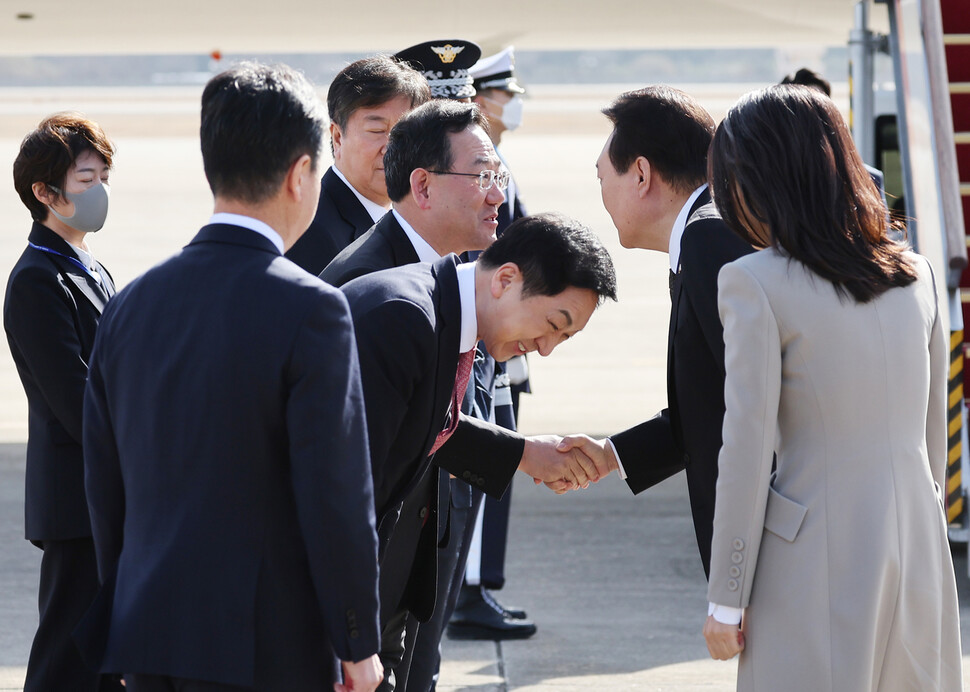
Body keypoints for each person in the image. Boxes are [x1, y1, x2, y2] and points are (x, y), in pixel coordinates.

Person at [81, 62, 383, 692]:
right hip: (262, 646)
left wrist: (132, 603)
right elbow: (335, 497)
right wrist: (357, 643)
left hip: (148, 634)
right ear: (302, 173)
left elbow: (106, 490)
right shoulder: (313, 308)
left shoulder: (130, 304)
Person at [322, 98, 594, 691]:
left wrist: (524, 452)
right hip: (359, 592)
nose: (499, 195)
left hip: (408, 570)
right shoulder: (378, 291)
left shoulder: (451, 273)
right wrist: (352, 635)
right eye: (483, 178)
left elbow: (433, 419)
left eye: (500, 176)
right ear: (423, 185)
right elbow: (340, 491)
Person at [702, 84, 962, 690]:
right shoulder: (915, 273)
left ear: (758, 178)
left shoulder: (754, 282)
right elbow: (930, 436)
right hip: (918, 543)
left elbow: (744, 448)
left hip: (814, 552)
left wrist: (727, 594)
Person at [559, 86, 754, 578]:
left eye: (602, 177)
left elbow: (755, 404)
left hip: (768, 551)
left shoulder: (708, 238)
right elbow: (712, 401)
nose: (601, 195)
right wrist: (612, 455)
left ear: (642, 174)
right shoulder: (709, 233)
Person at [5, 113, 123, 692]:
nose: (99, 190)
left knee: (104, 655)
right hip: (78, 499)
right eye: (85, 179)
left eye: (103, 176)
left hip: (106, 494)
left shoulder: (91, 267)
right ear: (45, 193)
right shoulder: (36, 280)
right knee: (67, 657)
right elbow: (76, 403)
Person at [446, 45, 536, 644]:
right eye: (507, 94)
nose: (514, 105)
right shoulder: (474, 165)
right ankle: (469, 591)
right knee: (477, 462)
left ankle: (476, 586)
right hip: (477, 340)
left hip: (497, 342)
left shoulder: (492, 160)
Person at [285, 55, 430, 275]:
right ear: (337, 137)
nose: (391, 147)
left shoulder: (415, 219)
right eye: (376, 131)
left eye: (405, 133)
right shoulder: (311, 230)